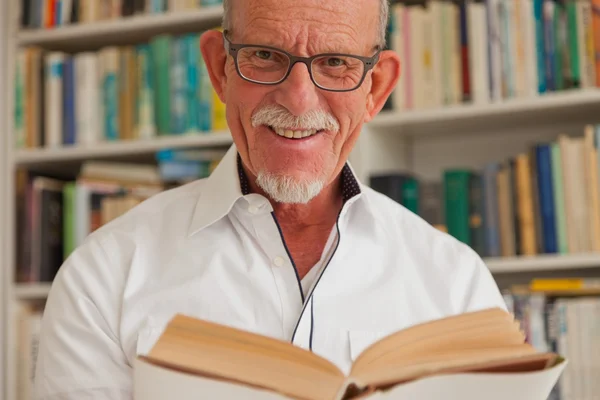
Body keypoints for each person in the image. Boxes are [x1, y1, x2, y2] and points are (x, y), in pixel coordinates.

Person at [34, 0, 507, 398]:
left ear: (376, 88)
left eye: (336, 62)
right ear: (220, 68)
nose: (299, 100)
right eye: (265, 55)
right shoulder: (103, 276)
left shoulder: (456, 285)